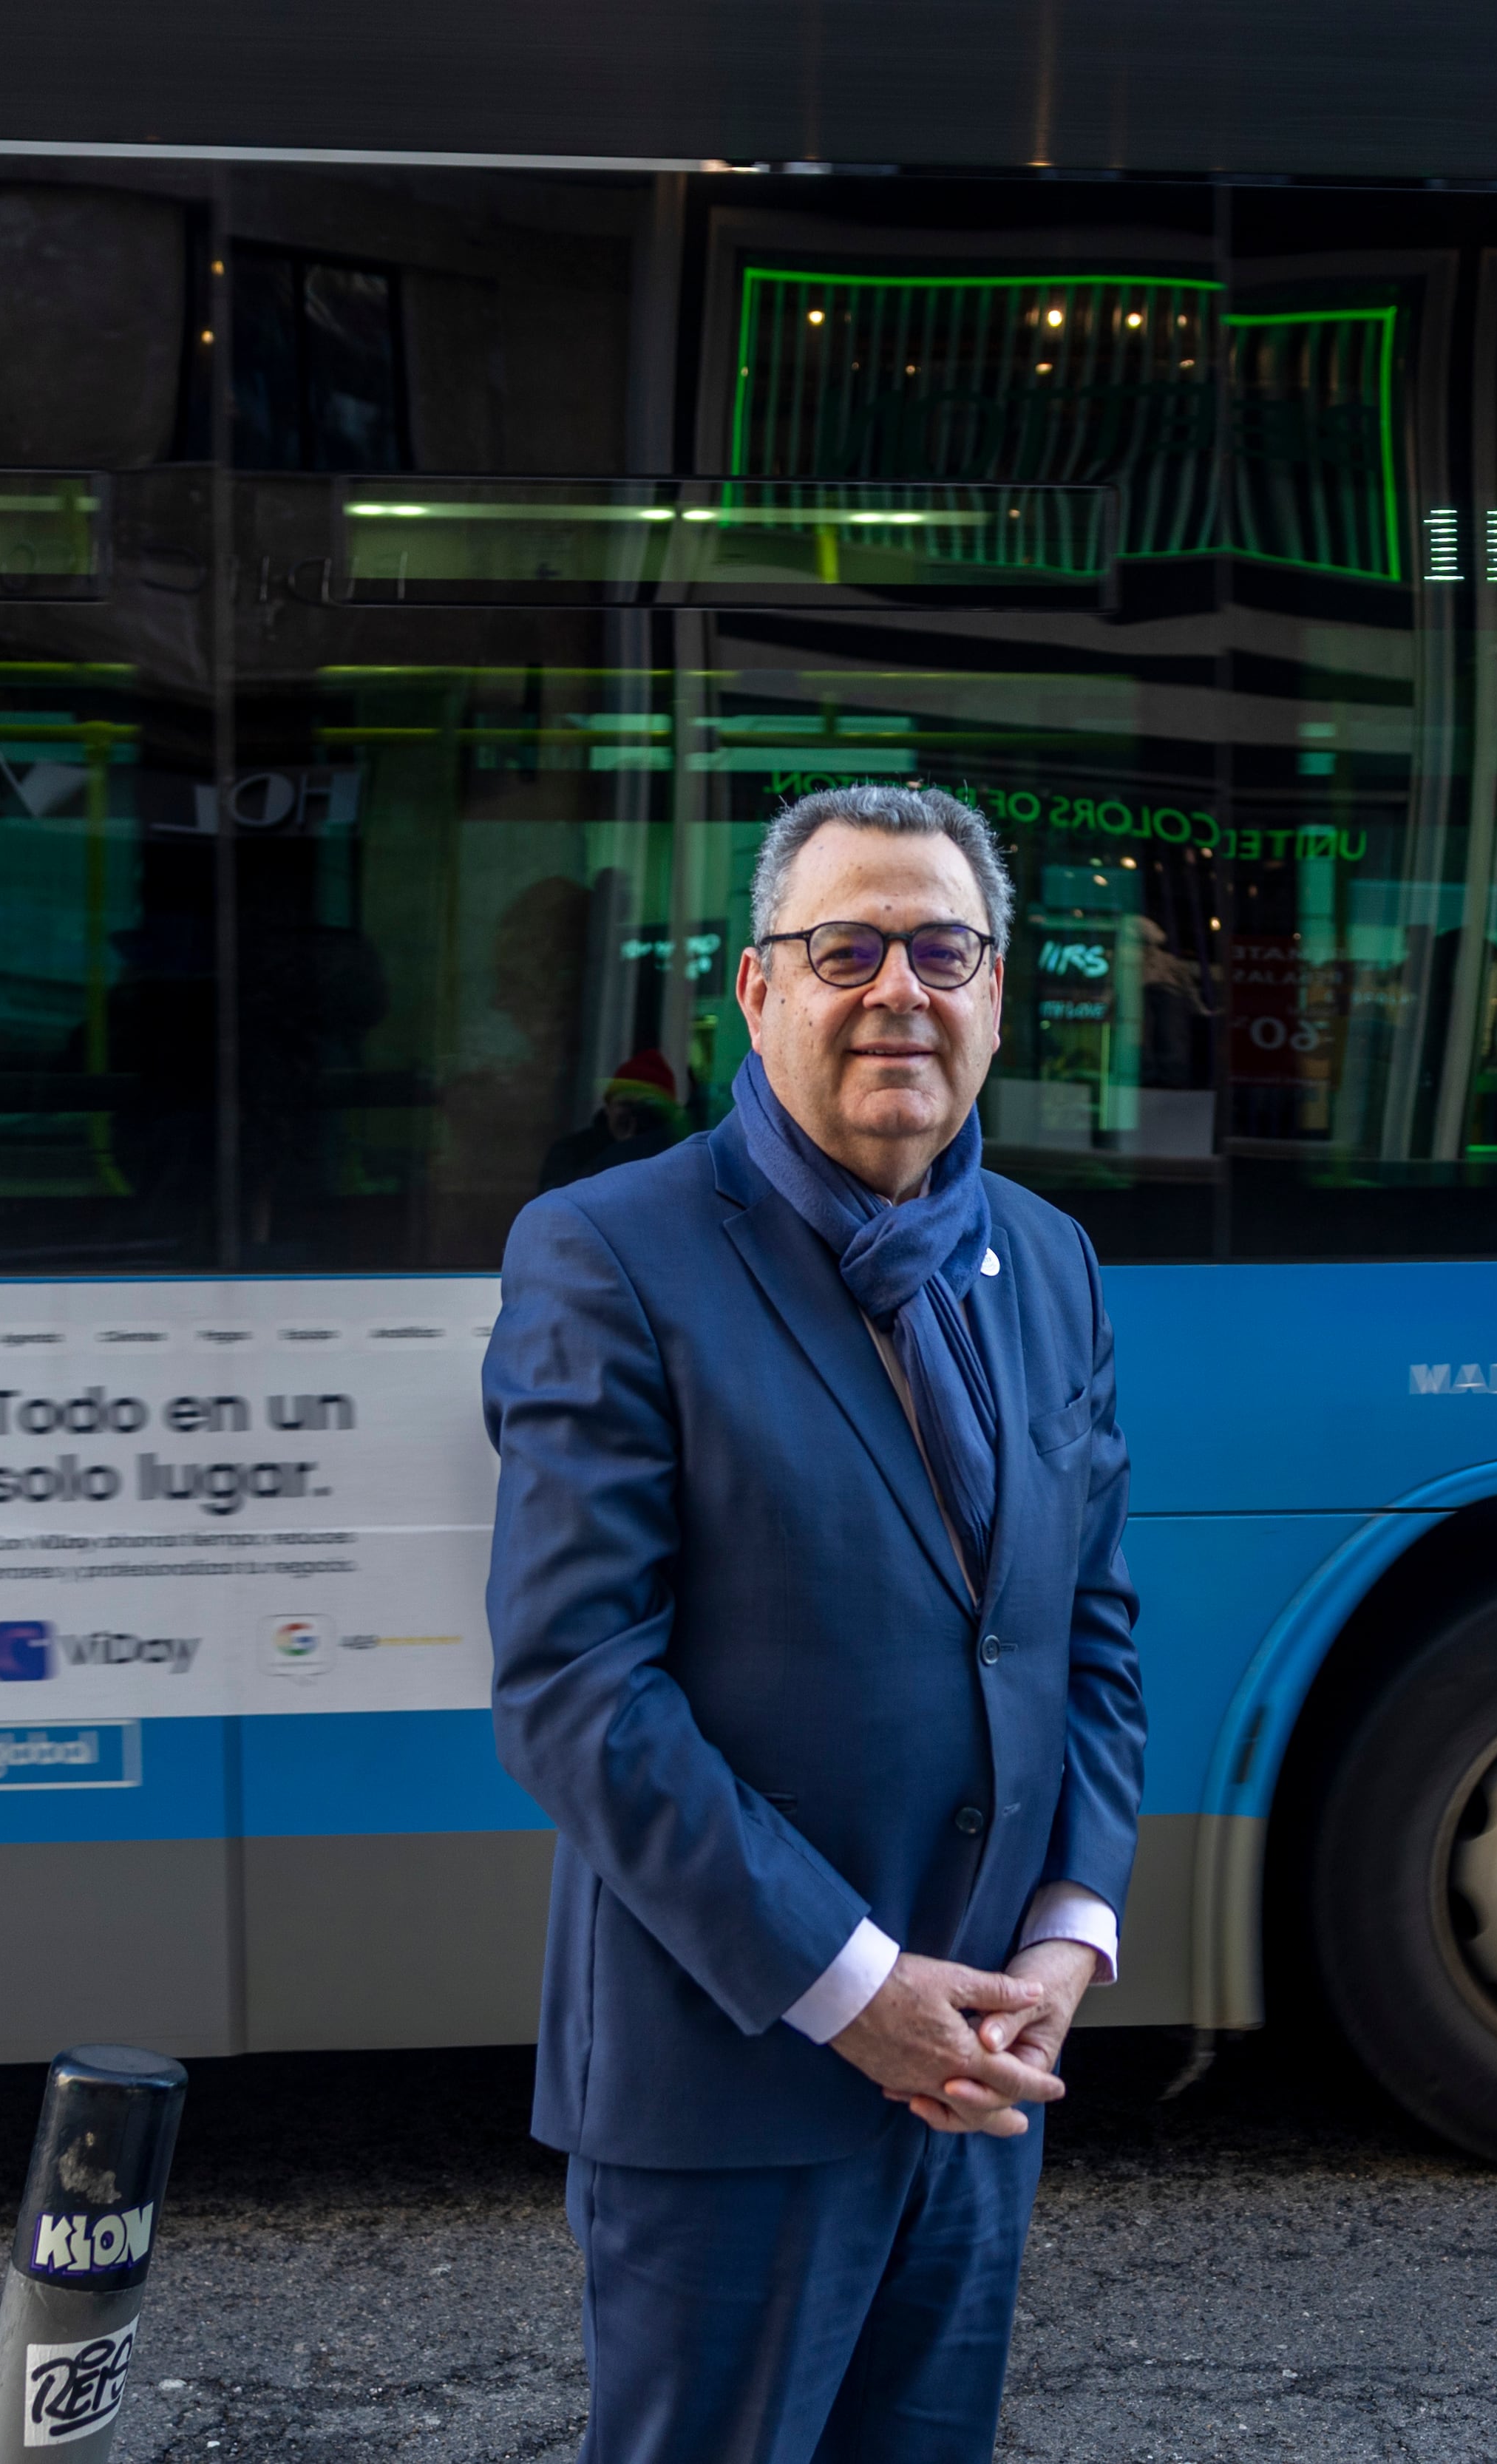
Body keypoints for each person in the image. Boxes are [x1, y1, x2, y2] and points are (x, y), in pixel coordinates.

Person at [482, 783, 1145, 2464]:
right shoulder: (607, 1253)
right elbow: (576, 1687)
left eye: (940, 948)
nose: (897, 990)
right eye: (842, 947)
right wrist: (857, 1994)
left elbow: (1090, 1629)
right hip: (733, 2081)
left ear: (997, 991)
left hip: (984, 2077)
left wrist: (1068, 1930)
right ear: (755, 990)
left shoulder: (1049, 1259)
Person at [536, 1048, 685, 1191]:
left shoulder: (680, 1155)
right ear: (608, 1107)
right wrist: (625, 1152)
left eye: (646, 1107)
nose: (635, 1115)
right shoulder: (572, 1152)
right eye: (626, 1105)